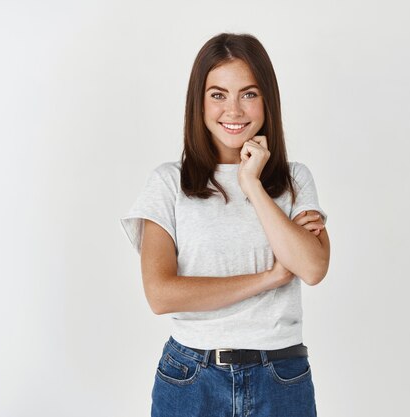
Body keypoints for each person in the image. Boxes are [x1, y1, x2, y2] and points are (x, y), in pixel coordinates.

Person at [121, 32, 330, 417]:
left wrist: (251, 183)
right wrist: (268, 278)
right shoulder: (169, 183)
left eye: (248, 94)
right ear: (199, 102)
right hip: (191, 378)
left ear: (267, 100)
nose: (233, 110)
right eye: (218, 94)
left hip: (281, 375)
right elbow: (161, 293)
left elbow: (313, 268)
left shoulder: (294, 179)